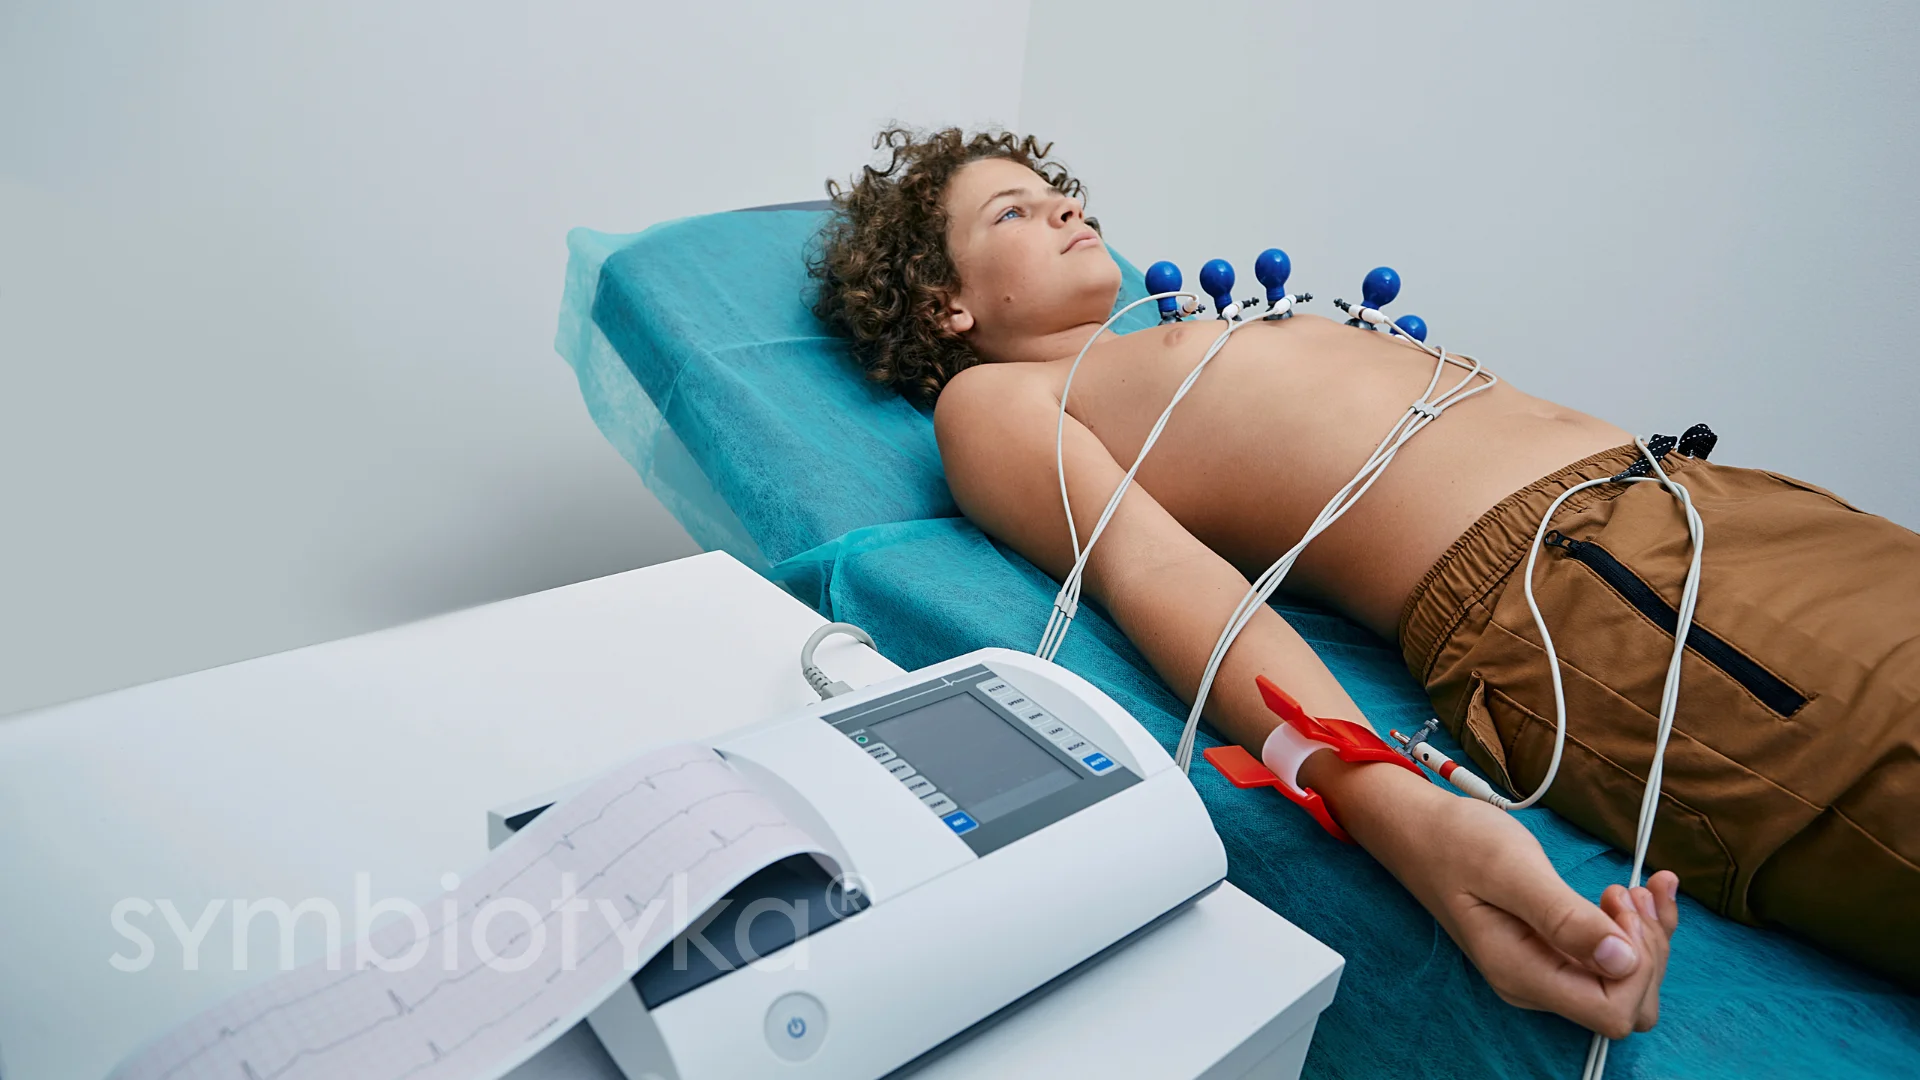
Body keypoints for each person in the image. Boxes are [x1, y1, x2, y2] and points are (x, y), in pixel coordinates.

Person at [806, 127, 1920, 1035]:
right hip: (1591, 589)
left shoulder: (1164, 337)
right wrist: (1400, 813)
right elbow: (1162, 580)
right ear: (945, 307)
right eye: (1010, 211)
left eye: (1055, 192)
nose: (1060, 206)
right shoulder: (996, 401)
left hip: (1710, 504)